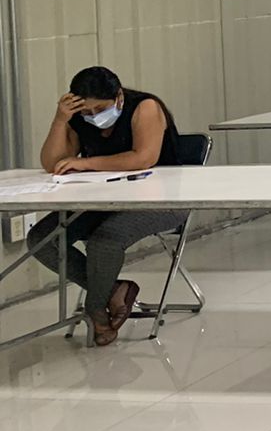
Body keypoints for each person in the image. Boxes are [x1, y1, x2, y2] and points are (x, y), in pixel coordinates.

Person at [28, 66, 186, 346]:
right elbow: (52, 163)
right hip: (103, 201)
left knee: (105, 241)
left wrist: (85, 163)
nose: (93, 116)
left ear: (119, 97)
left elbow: (143, 158)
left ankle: (95, 310)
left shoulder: (145, 107)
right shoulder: (78, 118)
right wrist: (60, 120)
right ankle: (114, 291)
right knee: (42, 239)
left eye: (100, 109)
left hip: (161, 199)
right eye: (86, 112)